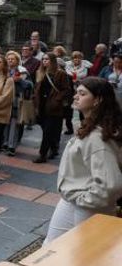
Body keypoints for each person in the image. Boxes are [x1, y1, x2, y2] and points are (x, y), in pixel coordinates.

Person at [43, 77, 122, 246]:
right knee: (51, 247)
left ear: (98, 100)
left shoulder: (97, 138)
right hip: (72, 199)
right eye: (76, 92)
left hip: (87, 205)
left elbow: (110, 184)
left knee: (83, 255)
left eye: (82, 93)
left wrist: (83, 200)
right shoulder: (91, 127)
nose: (75, 96)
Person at [33, 53, 73, 164]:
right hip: (41, 105)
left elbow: (66, 90)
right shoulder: (40, 72)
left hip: (53, 107)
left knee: (47, 131)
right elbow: (37, 88)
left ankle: (42, 154)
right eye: (43, 59)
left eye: (47, 59)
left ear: (52, 61)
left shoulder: (60, 73)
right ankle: (54, 147)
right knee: (46, 129)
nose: (45, 61)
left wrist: (57, 100)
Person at [3, 51, 32, 156]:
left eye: (12, 59)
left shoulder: (22, 71)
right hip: (5, 100)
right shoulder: (4, 70)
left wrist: (19, 80)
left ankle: (12, 146)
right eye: (8, 59)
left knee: (14, 124)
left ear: (17, 60)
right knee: (6, 123)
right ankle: (5, 143)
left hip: (16, 100)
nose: (10, 60)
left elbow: (29, 85)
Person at [64, 51, 92, 134]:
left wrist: (79, 80)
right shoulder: (67, 66)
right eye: (75, 58)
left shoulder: (86, 66)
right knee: (68, 111)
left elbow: (87, 77)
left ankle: (83, 127)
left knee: (82, 110)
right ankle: (69, 128)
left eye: (79, 57)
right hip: (70, 90)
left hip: (82, 90)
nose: (76, 59)